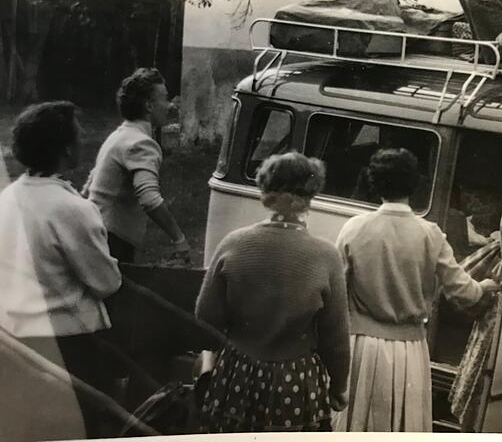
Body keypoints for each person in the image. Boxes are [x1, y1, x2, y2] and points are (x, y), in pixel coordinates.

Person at [333, 148, 500, 432]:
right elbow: (465, 294)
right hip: (409, 349)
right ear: (414, 184)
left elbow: (335, 291)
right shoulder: (429, 234)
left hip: (360, 344)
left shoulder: (353, 229)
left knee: (356, 426)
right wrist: (486, 285)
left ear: (374, 183)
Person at [195, 152, 350, 433]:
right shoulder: (326, 256)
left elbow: (206, 316)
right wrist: (339, 387)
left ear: (265, 191)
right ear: (310, 195)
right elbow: (335, 337)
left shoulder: (234, 244)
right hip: (296, 380)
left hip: (238, 373)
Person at [0, 101, 122, 435]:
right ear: (66, 149)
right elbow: (106, 282)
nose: (83, 140)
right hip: (70, 345)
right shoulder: (71, 208)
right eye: (79, 135)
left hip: (13, 340)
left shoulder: (7, 199)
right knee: (78, 427)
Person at [83, 67, 188, 263]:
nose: (170, 106)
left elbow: (89, 187)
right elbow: (149, 199)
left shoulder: (118, 136)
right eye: (164, 98)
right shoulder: (141, 143)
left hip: (93, 232)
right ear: (149, 105)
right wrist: (179, 238)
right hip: (112, 240)